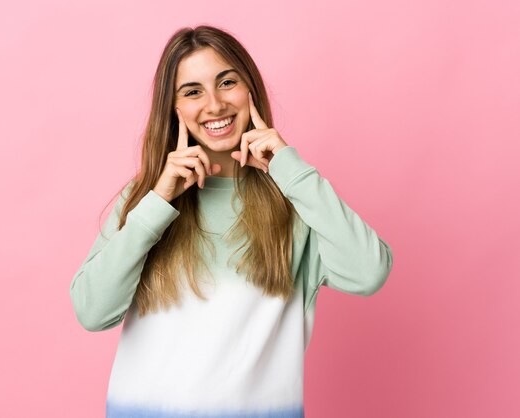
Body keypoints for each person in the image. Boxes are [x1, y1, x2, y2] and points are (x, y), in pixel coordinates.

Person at [69, 25, 393, 418]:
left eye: (227, 82)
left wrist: (290, 169)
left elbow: (368, 272)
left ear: (250, 90)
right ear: (173, 110)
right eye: (192, 91)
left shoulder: (296, 203)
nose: (215, 104)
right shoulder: (144, 202)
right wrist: (157, 202)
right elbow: (93, 311)